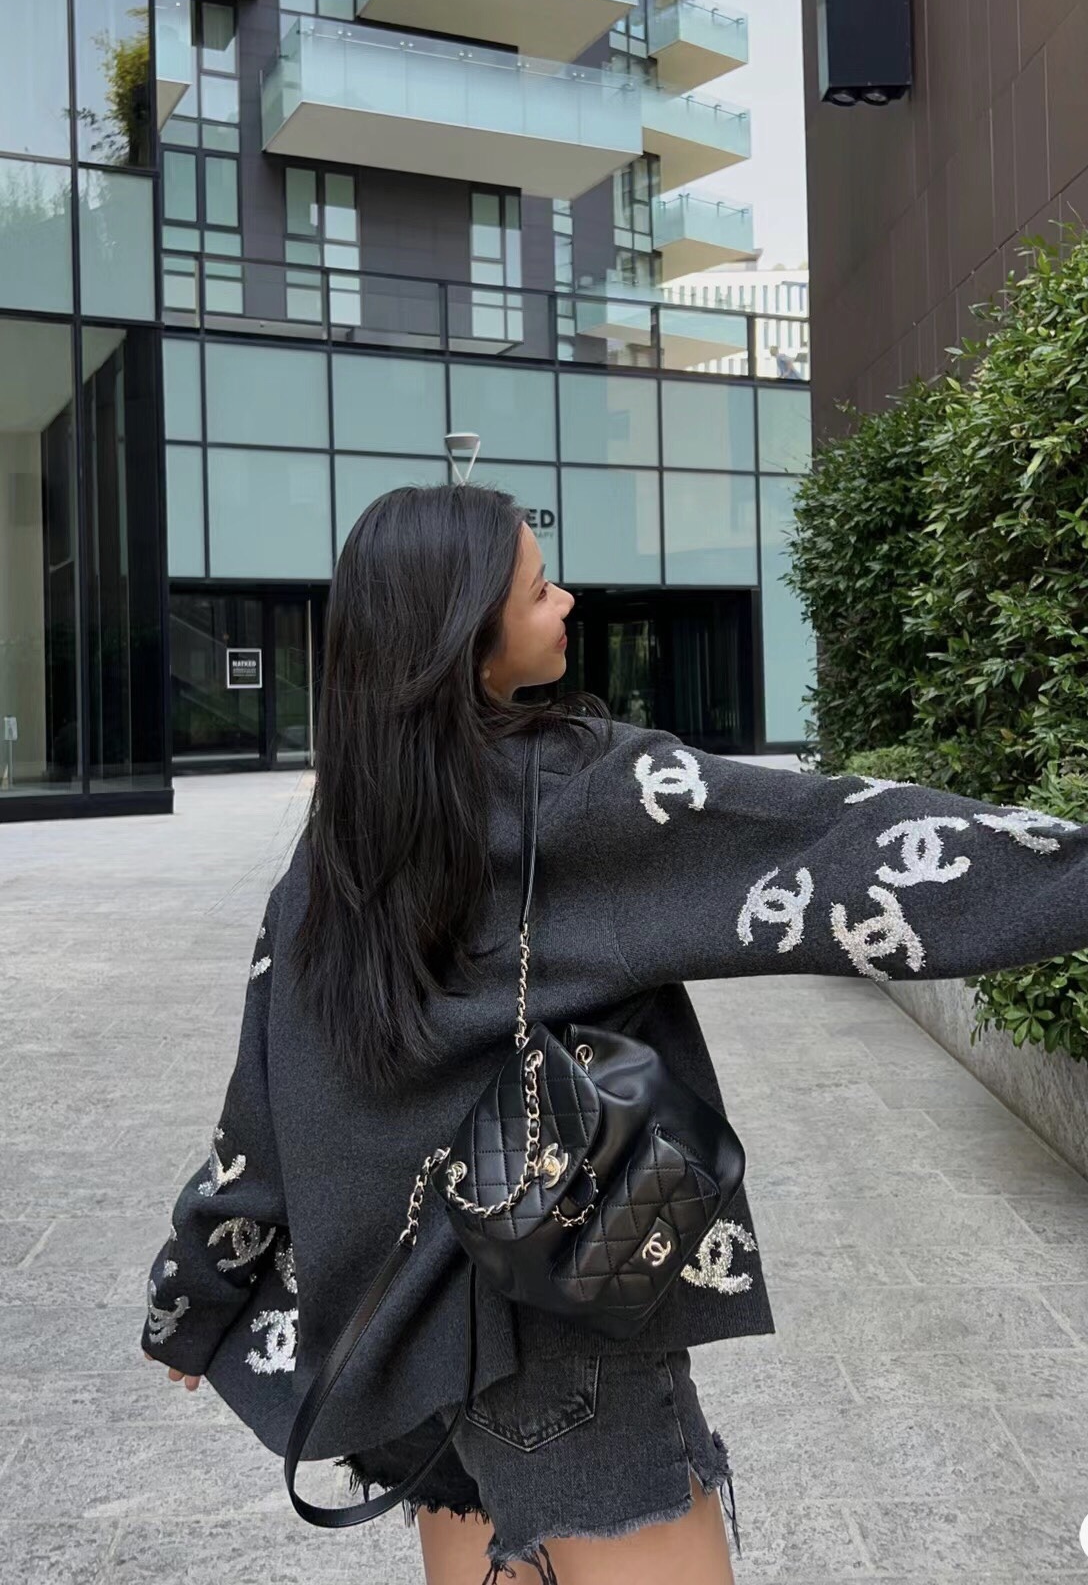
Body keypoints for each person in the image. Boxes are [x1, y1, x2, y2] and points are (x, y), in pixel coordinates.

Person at [141, 482, 1088, 1585]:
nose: (566, 602)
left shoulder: (334, 850)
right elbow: (834, 839)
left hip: (387, 1348)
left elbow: (258, 1122)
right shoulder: (584, 790)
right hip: (553, 1324)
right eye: (539, 589)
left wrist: (193, 1299)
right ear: (463, 634)